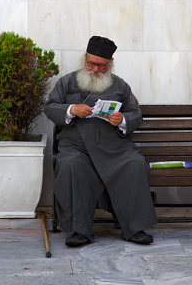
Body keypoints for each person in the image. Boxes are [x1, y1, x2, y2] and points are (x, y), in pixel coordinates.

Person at [44, 36, 158, 247]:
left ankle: (133, 228)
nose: (95, 70)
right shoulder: (67, 82)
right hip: (75, 145)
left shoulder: (120, 86)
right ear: (85, 59)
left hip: (114, 147)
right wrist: (72, 109)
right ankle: (80, 230)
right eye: (91, 64)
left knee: (134, 164)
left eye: (101, 66)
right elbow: (50, 107)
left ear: (110, 63)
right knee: (72, 165)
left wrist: (123, 119)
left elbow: (135, 112)